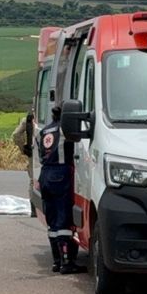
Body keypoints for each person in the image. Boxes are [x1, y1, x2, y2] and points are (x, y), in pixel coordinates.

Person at [38, 106, 86, 274]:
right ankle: (67, 262)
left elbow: (40, 155)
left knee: (52, 221)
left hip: (45, 174)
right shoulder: (66, 130)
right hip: (61, 173)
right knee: (64, 220)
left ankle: (57, 261)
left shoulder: (44, 131)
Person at [12, 111, 37, 217]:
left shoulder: (28, 120)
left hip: (34, 153)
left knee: (33, 181)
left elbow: (16, 135)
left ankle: (34, 209)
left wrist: (24, 149)